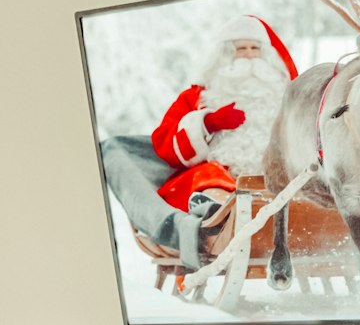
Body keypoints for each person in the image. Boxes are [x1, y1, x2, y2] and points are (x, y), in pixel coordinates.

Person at [101, 16, 297, 272]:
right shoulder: (197, 97)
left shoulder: (286, 95)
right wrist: (208, 123)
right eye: (241, 49)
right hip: (219, 179)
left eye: (255, 48)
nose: (249, 57)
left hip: (279, 183)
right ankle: (210, 221)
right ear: (224, 55)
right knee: (208, 178)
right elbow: (165, 145)